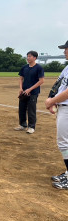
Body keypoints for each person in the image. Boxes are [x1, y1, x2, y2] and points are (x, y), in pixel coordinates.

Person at [45, 40, 68, 189]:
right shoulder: (66, 68)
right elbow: (58, 85)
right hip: (63, 106)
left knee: (63, 142)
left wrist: (52, 100)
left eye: (66, 48)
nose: (64, 51)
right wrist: (51, 99)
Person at [14, 51, 44, 134]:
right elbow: (21, 78)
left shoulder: (39, 68)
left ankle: (31, 127)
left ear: (35, 58)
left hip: (33, 92)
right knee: (22, 109)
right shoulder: (24, 67)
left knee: (31, 110)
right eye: (27, 56)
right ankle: (23, 125)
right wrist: (20, 88)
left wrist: (30, 89)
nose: (28, 58)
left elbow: (41, 81)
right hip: (23, 92)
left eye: (30, 56)